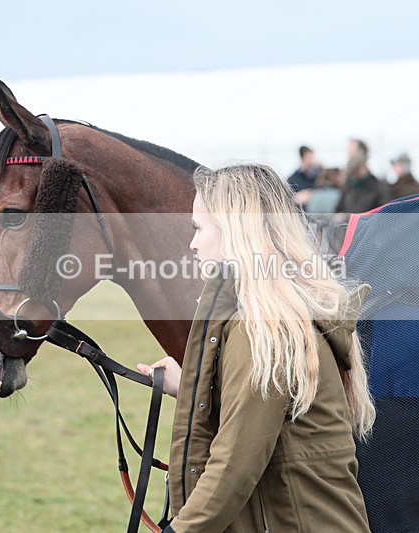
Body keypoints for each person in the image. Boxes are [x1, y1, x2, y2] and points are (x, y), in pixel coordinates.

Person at [137, 163, 375, 532]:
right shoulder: (279, 317)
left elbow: (234, 464)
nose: (193, 244)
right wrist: (190, 387)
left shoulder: (265, 329)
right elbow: (262, 418)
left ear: (235, 231)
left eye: (199, 228)